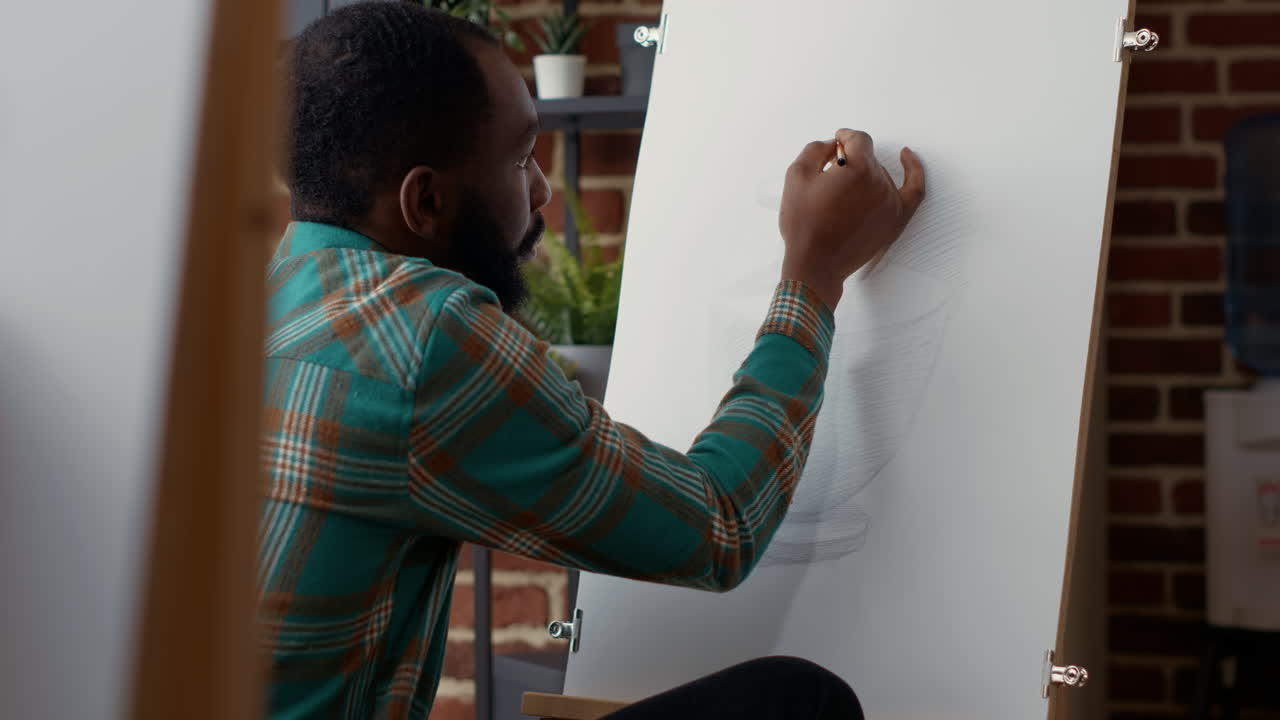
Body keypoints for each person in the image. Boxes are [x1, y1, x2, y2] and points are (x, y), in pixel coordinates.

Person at [257, 2, 925, 718]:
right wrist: (813, 274)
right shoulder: (425, 335)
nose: (542, 189)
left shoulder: (269, 298)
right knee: (798, 702)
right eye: (519, 160)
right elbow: (720, 529)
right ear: (425, 198)